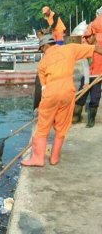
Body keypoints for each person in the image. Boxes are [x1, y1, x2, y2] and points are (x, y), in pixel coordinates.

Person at [21, 34, 102, 167]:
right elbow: (95, 48)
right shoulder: (70, 48)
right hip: (67, 92)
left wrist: (43, 109)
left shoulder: (42, 63)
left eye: (42, 49)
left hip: (51, 93)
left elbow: (43, 88)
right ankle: (54, 158)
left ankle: (37, 159)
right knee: (61, 127)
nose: (42, 52)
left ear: (45, 46)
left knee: (42, 128)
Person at [73, 7, 102, 128]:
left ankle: (91, 119)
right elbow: (85, 65)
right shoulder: (85, 46)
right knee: (81, 96)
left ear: (94, 35)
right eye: (85, 37)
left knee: (95, 98)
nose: (87, 39)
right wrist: (85, 82)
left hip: (98, 76)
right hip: (87, 75)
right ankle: (76, 115)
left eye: (89, 36)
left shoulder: (100, 43)